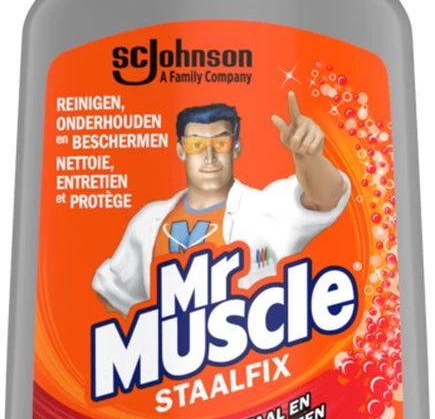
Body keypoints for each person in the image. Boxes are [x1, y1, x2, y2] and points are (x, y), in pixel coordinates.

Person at [92, 93, 351, 316]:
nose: (209, 156)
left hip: (251, 357)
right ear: (181, 150)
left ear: (235, 148)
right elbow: (112, 291)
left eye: (220, 142)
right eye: (196, 144)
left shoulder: (264, 208)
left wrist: (309, 159)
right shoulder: (149, 220)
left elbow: (325, 198)